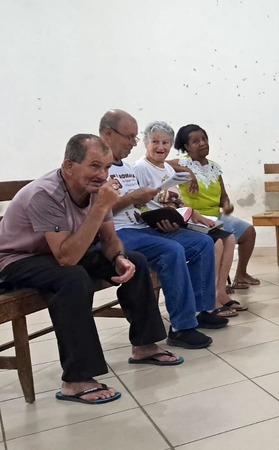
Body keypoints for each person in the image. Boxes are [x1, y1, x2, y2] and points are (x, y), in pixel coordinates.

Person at [0, 134, 182, 405]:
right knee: (73, 278)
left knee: (136, 260)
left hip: (58, 252)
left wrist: (119, 257)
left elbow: (109, 239)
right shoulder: (46, 194)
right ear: (69, 166)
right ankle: (76, 379)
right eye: (95, 166)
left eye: (106, 167)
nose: (102, 175)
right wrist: (100, 207)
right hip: (16, 259)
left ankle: (145, 345)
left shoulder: (97, 190)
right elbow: (67, 258)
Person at [101, 110, 228, 350]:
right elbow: (98, 211)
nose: (133, 143)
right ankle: (181, 327)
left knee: (202, 243)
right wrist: (133, 198)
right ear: (108, 134)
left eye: (134, 137)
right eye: (130, 137)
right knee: (171, 250)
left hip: (142, 225)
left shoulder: (126, 167)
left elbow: (139, 205)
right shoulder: (100, 168)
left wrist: (161, 215)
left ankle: (200, 310)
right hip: (119, 233)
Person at [134, 121, 243, 315]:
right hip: (156, 225)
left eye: (165, 143)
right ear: (145, 143)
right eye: (155, 142)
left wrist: (195, 215)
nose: (161, 147)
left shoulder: (167, 169)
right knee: (213, 243)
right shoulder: (140, 168)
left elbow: (178, 202)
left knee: (229, 238)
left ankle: (220, 292)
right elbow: (139, 206)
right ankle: (207, 302)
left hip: (177, 220)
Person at [169, 123, 257, 302]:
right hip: (196, 217)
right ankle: (217, 285)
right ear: (186, 147)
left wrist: (227, 205)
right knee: (221, 239)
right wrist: (188, 171)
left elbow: (223, 196)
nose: (202, 143)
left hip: (217, 215)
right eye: (196, 141)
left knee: (249, 232)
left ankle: (241, 274)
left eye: (204, 139)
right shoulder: (182, 163)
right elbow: (160, 163)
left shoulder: (214, 168)